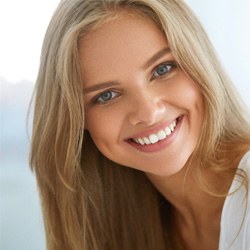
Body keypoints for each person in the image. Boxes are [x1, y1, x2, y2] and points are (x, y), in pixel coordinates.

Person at [30, 0, 250, 249]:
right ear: (76, 119)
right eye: (107, 95)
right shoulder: (112, 225)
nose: (148, 112)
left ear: (200, 62)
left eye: (163, 69)